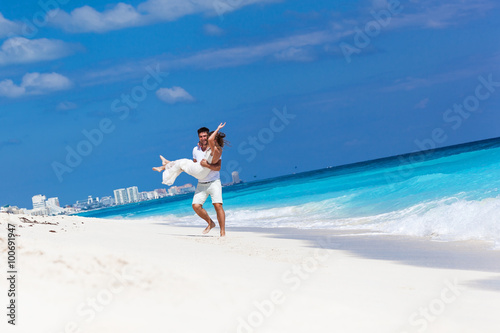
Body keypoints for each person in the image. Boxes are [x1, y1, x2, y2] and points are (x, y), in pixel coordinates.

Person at [152, 123, 227, 236]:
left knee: (217, 205)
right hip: (201, 181)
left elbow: (218, 167)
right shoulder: (195, 150)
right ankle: (210, 223)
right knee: (196, 206)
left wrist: (207, 166)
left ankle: (222, 232)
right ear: (198, 138)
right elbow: (195, 165)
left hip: (213, 181)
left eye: (205, 136)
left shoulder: (214, 148)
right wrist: (199, 170)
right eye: (200, 137)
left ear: (209, 137)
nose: (203, 138)